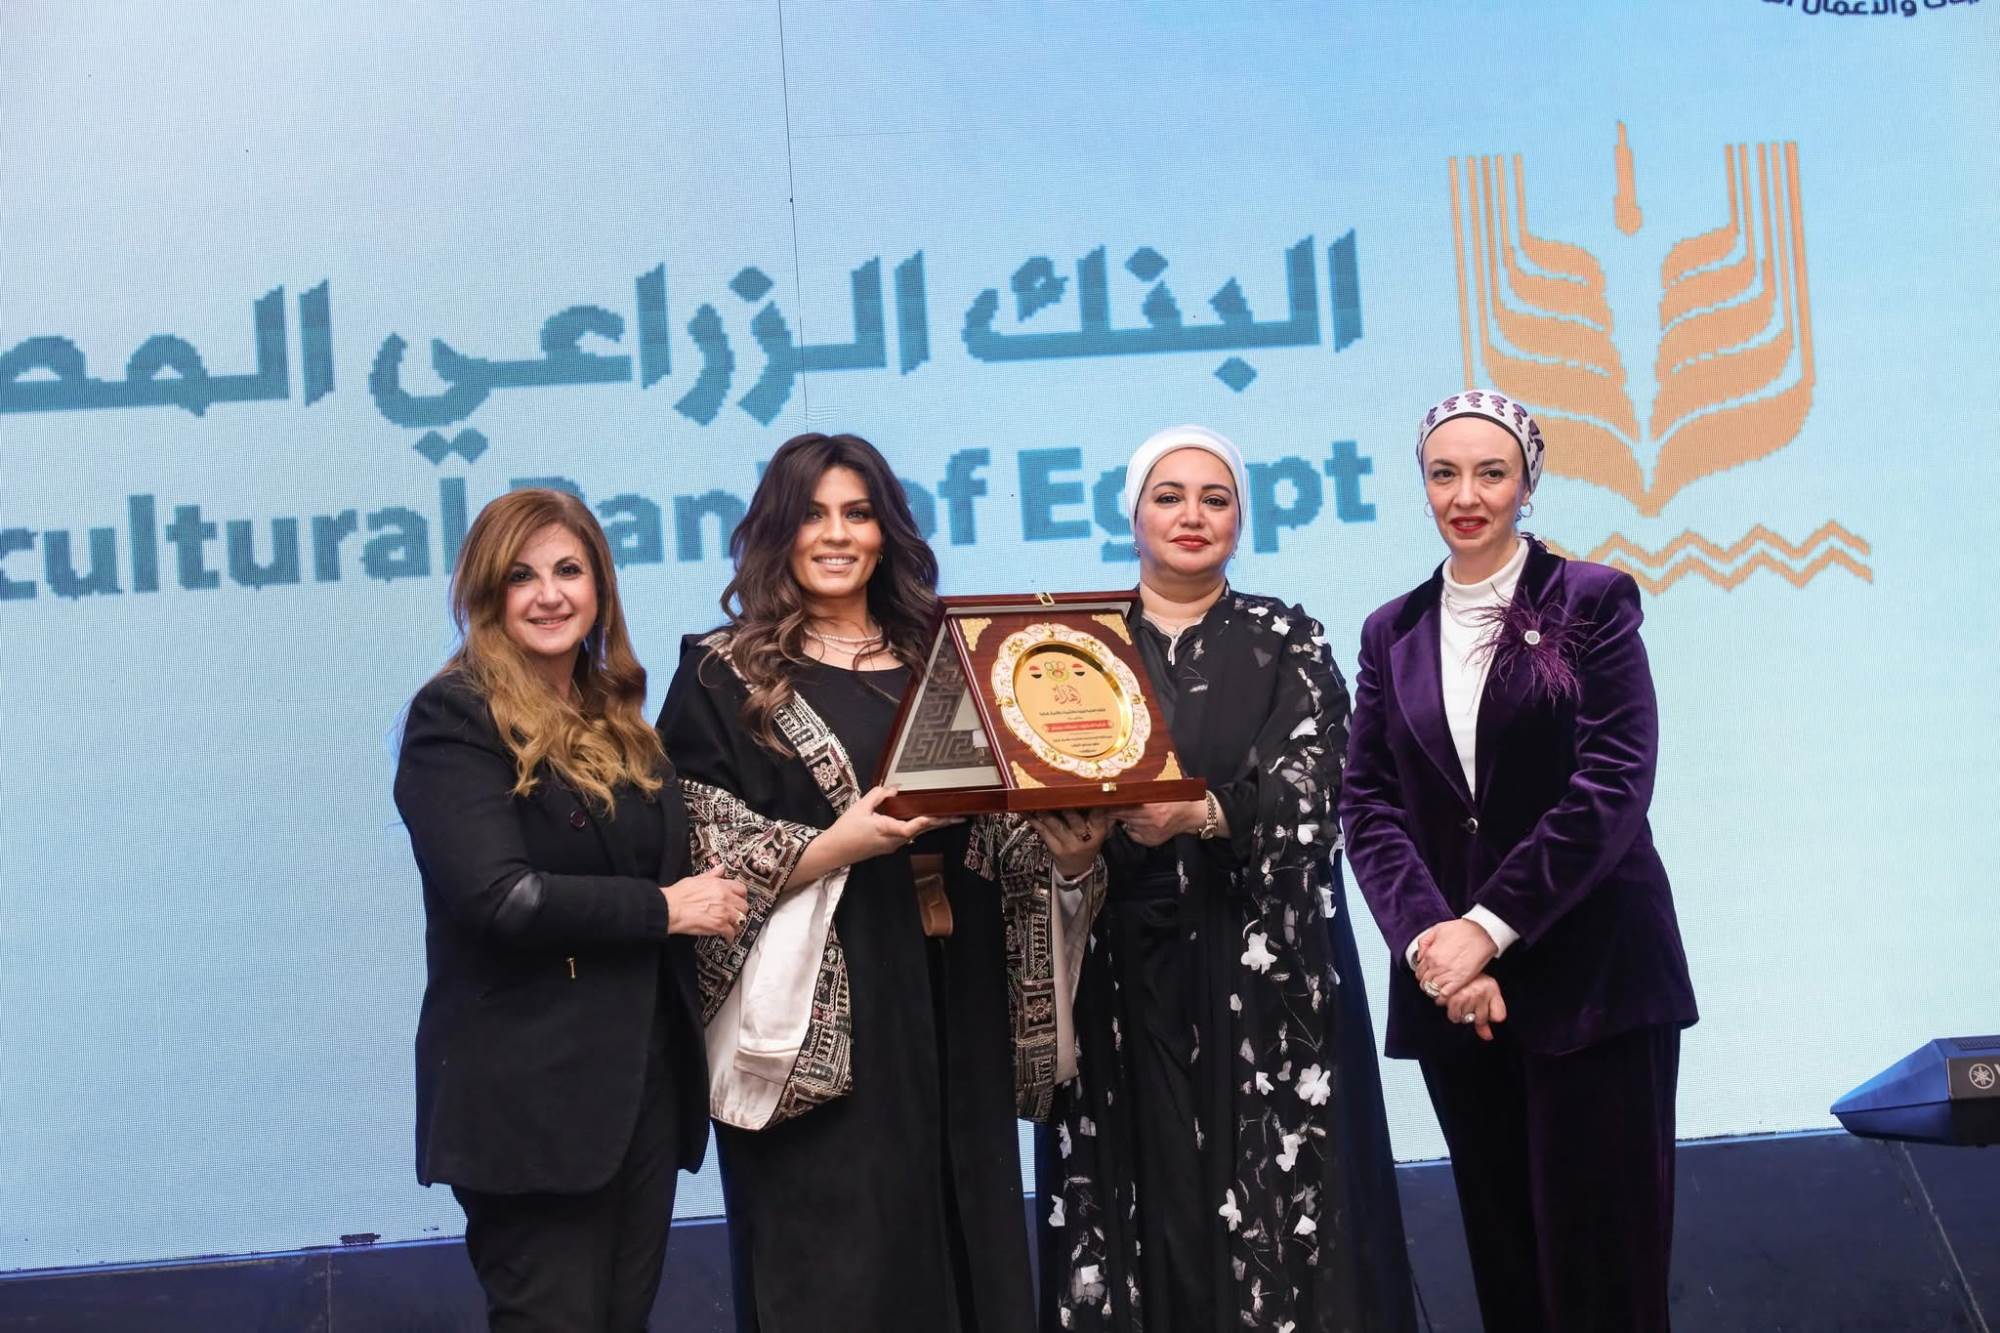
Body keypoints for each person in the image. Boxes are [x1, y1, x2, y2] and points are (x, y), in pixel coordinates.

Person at [655, 432, 1109, 1333]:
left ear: (886, 531)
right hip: (820, 1019)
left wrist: (1070, 853)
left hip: (957, 990)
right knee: (839, 1263)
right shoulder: (723, 674)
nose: (837, 534)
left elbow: (1005, 828)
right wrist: (838, 844)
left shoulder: (959, 658)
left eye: (857, 514)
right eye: (813, 514)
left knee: (968, 1239)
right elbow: (695, 848)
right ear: (776, 532)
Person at [1038, 425, 1416, 1333]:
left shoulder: (1287, 638)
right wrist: (1071, 853)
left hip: (1257, 968)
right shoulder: (1071, 643)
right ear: (1132, 513)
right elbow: (1027, 792)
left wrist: (1202, 812)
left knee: (1272, 1212)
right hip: (1116, 966)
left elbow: (1321, 784)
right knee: (1134, 1197)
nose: (1193, 515)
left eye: (1216, 498)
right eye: (1168, 495)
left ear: (1241, 518)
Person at [1340, 391, 1699, 1332]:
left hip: (1594, 980)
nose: (1466, 495)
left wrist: (1486, 927)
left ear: (1527, 484)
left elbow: (1614, 782)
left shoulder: (1592, 599)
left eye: (1490, 473)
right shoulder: (1391, 630)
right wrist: (1432, 941)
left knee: (1606, 1278)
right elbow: (1367, 804)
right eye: (1445, 473)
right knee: (1510, 1277)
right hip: (1459, 997)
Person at [393, 488, 747, 1332]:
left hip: (639, 1095)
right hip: (532, 1110)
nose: (549, 594)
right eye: (521, 576)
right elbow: (501, 898)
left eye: (568, 570)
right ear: (487, 594)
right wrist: (662, 909)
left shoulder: (616, 716)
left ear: (599, 588)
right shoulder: (455, 716)